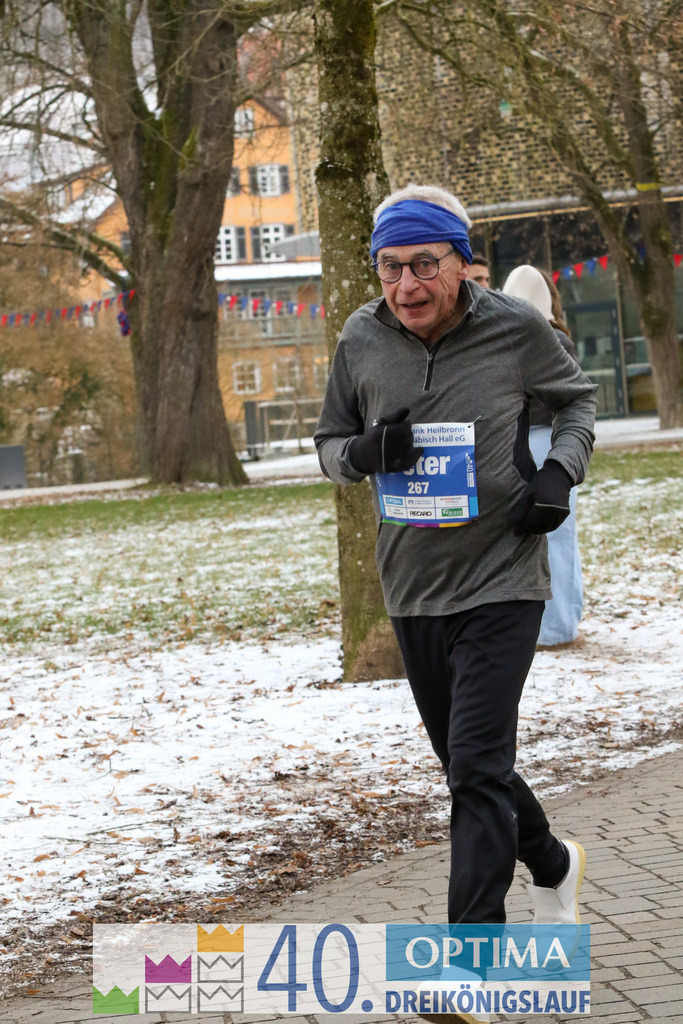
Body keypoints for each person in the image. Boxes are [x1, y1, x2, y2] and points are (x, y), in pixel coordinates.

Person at [314, 184, 597, 1024]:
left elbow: (577, 401)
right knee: (473, 767)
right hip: (413, 585)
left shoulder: (514, 330)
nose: (406, 285)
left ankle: (470, 965)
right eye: (389, 267)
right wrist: (363, 452)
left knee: (473, 767)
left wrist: (558, 475)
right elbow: (328, 445)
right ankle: (552, 862)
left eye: (423, 265)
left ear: (460, 263)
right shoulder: (360, 338)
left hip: (503, 577)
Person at [502, 265, 584, 646]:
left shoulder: (507, 338)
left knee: (550, 536)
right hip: (546, 442)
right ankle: (559, 623)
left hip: (530, 442)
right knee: (558, 536)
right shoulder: (555, 339)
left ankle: (556, 625)